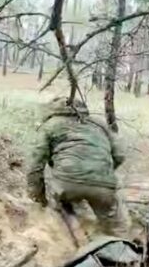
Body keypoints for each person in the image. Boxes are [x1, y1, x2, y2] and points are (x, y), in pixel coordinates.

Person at [26, 96, 127, 236]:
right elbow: (120, 155)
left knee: (61, 206)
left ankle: (72, 240)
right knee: (115, 224)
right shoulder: (98, 124)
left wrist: (39, 197)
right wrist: (102, 173)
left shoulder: (49, 126)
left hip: (66, 183)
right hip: (104, 185)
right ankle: (123, 249)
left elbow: (35, 165)